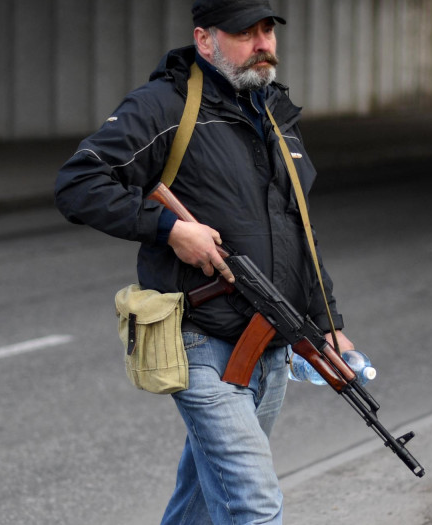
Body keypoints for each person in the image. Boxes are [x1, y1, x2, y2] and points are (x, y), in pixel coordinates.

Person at [54, 0, 352, 522]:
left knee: (199, 499)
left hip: (270, 344)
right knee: (253, 503)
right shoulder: (165, 106)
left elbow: (298, 229)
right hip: (199, 341)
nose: (262, 44)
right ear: (204, 39)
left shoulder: (276, 115)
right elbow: (79, 183)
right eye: (244, 33)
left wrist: (328, 324)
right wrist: (169, 228)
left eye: (267, 31)